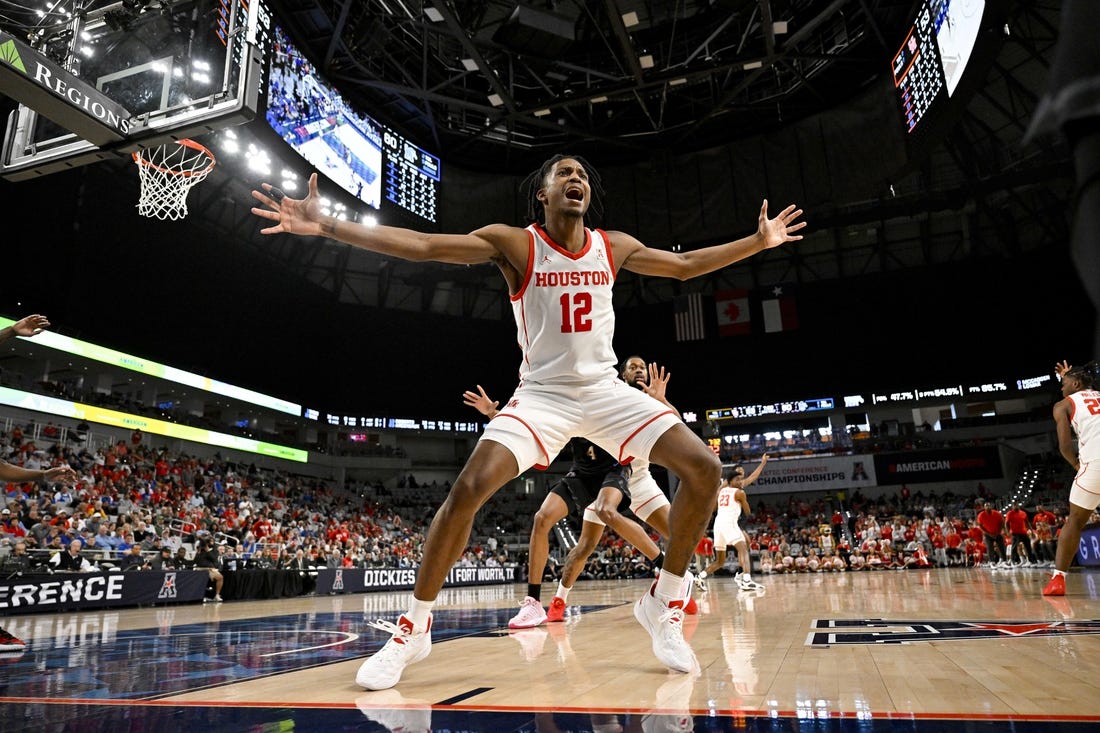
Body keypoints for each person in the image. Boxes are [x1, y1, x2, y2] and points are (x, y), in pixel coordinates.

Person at [252, 154, 805, 689]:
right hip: (543, 395)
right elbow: (422, 246)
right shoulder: (516, 243)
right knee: (469, 487)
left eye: (583, 175)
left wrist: (758, 242)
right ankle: (413, 629)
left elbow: (684, 267)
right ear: (543, 193)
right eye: (565, 172)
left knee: (705, 469)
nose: (577, 179)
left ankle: (663, 601)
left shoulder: (613, 247)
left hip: (607, 391)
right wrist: (326, 225)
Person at [519, 357, 697, 625]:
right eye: (632, 368)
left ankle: (675, 586)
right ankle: (559, 599)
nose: (638, 370)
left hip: (639, 478)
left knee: (679, 536)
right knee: (585, 546)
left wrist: (662, 400)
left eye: (641, 368)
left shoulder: (648, 400)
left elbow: (678, 427)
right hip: (605, 478)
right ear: (621, 375)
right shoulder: (613, 395)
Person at [1044, 360, 1100, 596]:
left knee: (1075, 521)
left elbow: (1065, 447)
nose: (1061, 387)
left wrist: (1078, 465)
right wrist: (1069, 375)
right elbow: (1085, 394)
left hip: (1095, 465)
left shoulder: (1062, 405)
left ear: (1075, 383)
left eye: (1064, 383)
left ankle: (1058, 580)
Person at [697, 456, 770, 592]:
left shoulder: (734, 486)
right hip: (729, 519)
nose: (742, 475)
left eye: (742, 472)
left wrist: (762, 463)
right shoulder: (730, 487)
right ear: (732, 476)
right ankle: (746, 578)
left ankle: (701, 576)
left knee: (726, 556)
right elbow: (746, 511)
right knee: (743, 548)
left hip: (722, 521)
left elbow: (754, 476)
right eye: (739, 472)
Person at [976, 502, 1007, 568]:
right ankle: (992, 562)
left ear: (991, 507)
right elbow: (980, 526)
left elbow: (1001, 523)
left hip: (997, 533)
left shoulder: (997, 513)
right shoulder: (981, 515)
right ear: (984, 508)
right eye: (986, 506)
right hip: (987, 534)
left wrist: (999, 532)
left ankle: (1004, 561)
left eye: (989, 506)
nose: (988, 507)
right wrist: (989, 534)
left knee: (1002, 547)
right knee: (990, 547)